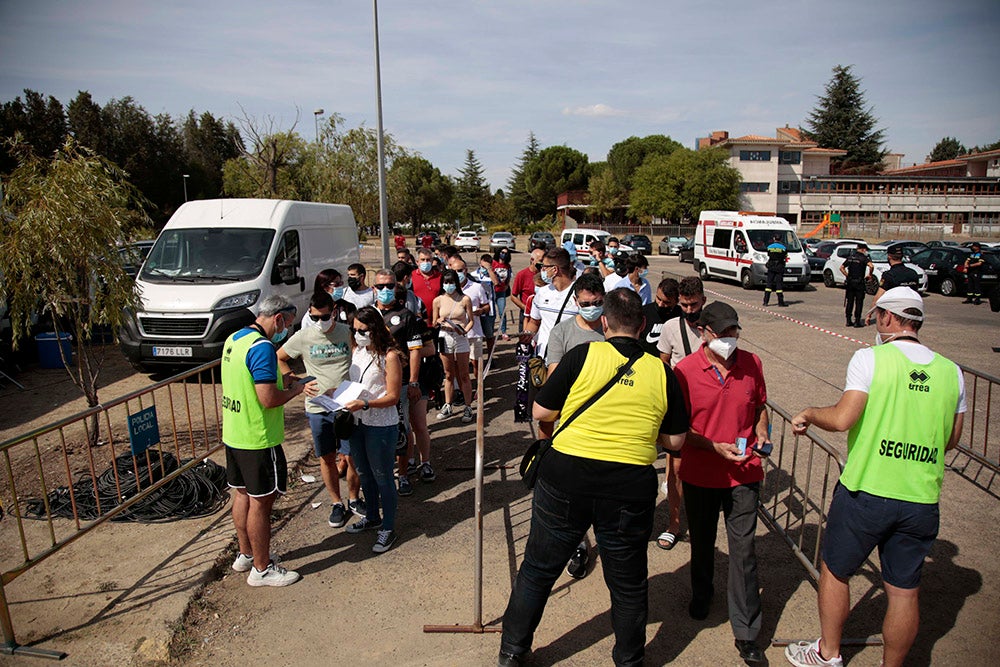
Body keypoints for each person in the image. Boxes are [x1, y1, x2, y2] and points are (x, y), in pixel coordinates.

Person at [498, 288, 689, 667]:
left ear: (604, 322)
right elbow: (676, 440)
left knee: (538, 568)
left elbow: (540, 411)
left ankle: (512, 651)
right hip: (628, 484)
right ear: (644, 325)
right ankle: (629, 659)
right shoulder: (662, 371)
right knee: (628, 582)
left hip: (566, 476)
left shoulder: (582, 355)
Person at [786, 287, 965, 667]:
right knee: (903, 592)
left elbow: (842, 418)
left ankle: (829, 653)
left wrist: (810, 413)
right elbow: (951, 439)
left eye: (877, 315)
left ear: (888, 317)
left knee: (836, 571)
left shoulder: (870, 359)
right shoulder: (952, 372)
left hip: (867, 491)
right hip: (920, 496)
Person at [674, 301, 773, 664]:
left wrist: (761, 433)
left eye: (735, 331)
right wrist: (713, 446)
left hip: (744, 473)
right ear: (705, 332)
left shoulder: (752, 363)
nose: (730, 338)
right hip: (701, 474)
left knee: (744, 550)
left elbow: (760, 405)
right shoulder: (683, 371)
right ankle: (702, 593)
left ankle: (746, 630)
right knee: (701, 541)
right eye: (723, 333)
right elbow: (678, 429)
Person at [222, 295, 304, 586]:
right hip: (258, 438)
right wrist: (296, 391)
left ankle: (246, 554)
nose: (287, 332)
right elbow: (268, 399)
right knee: (261, 503)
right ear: (278, 318)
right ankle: (262, 568)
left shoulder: (235, 338)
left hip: (234, 433)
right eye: (288, 325)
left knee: (242, 495)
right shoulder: (262, 347)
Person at [542, 272, 607, 580]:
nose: (591, 308)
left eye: (597, 303)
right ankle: (578, 544)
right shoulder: (562, 333)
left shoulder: (612, 330)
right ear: (576, 302)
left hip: (609, 427)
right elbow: (556, 378)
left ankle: (607, 539)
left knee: (604, 492)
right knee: (574, 492)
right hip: (573, 427)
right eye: (585, 304)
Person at [278, 291, 355, 527]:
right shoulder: (303, 336)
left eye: (324, 317)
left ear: (333, 312)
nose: (320, 322)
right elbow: (279, 357)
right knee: (327, 457)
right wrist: (297, 381)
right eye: (314, 317)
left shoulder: (345, 331)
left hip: (346, 405)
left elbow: (359, 355)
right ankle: (336, 503)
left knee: (351, 457)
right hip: (317, 407)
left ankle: (354, 499)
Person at [339, 306, 403, 554]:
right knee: (364, 473)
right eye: (355, 331)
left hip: (380, 424)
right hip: (357, 423)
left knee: (383, 476)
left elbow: (393, 396)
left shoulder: (390, 357)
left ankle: (388, 527)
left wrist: (365, 403)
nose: (358, 335)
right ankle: (373, 517)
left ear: (375, 329)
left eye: (363, 331)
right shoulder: (358, 351)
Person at [654, 276, 707, 550]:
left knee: (703, 463)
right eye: (684, 305)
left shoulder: (714, 326)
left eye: (693, 304)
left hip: (708, 408)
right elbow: (663, 364)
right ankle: (674, 523)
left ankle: (702, 518)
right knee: (675, 466)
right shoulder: (670, 327)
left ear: (703, 301)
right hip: (679, 407)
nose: (689, 310)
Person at [371, 269, 433, 496]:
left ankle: (411, 470)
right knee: (383, 431)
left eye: (390, 286)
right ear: (373, 288)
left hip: (404, 383)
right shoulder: (368, 315)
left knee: (408, 427)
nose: (385, 291)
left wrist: (414, 382)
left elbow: (417, 351)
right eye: (381, 286)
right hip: (376, 385)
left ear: (396, 287)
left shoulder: (406, 316)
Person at [432, 269, 475, 424]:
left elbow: (471, 320)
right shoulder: (438, 300)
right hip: (445, 336)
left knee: (464, 374)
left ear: (456, 283)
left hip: (460, 337)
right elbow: (433, 321)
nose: (448, 285)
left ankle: (468, 406)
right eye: (445, 282)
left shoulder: (465, 299)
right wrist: (440, 321)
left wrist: (464, 330)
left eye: (451, 282)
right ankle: (448, 404)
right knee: (448, 374)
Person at [522, 248, 578, 359]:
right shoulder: (542, 292)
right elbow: (534, 322)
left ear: (554, 269)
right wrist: (526, 336)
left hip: (570, 359)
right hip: (543, 357)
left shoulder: (579, 294)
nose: (541, 269)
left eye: (544, 266)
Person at [869, 246, 920, 316]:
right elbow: (915, 294)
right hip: (911, 311)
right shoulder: (913, 273)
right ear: (902, 257)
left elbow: (878, 296)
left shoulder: (889, 275)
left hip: (895, 312)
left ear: (889, 256)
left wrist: (869, 314)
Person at [639, 277, 681, 356]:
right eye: (658, 299)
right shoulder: (643, 313)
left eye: (666, 302)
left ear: (676, 301)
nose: (660, 304)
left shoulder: (681, 316)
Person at [510, 247, 544, 334]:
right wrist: (526, 308)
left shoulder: (545, 276)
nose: (543, 263)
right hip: (526, 314)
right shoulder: (522, 275)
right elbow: (513, 296)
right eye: (541, 260)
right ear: (532, 260)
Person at [840, 243, 874, 328]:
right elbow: (871, 266)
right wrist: (870, 274)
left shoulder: (851, 257)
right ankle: (857, 321)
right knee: (859, 302)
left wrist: (847, 275)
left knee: (850, 302)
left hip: (850, 282)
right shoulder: (864, 258)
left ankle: (848, 320)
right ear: (863, 249)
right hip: (859, 282)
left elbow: (841, 267)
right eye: (865, 250)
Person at [410, 247, 442, 326]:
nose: (426, 262)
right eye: (423, 260)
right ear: (417, 262)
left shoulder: (440, 276)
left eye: (428, 260)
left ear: (432, 261)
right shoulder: (411, 276)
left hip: (437, 322)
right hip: (418, 322)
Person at [492, 248, 513, 340]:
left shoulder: (507, 266)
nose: (504, 254)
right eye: (502, 252)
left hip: (501, 292)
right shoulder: (493, 263)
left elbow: (508, 277)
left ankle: (504, 332)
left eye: (506, 253)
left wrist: (507, 285)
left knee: (502, 312)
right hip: (492, 292)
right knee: (492, 313)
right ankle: (490, 332)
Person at [763, 233, 788, 307]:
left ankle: (765, 302)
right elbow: (785, 256)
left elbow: (768, 255)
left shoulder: (769, 247)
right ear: (780, 239)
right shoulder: (783, 247)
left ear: (774, 238)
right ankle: (780, 302)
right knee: (779, 285)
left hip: (771, 266)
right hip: (779, 267)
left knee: (769, 284)